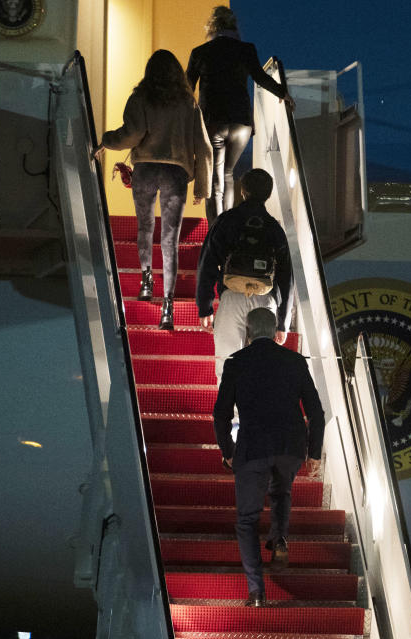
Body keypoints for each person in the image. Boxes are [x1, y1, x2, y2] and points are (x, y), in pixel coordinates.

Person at [213, 307, 325, 607]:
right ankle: (279, 539)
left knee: (247, 520)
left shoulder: (236, 363)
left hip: (254, 447)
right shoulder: (294, 360)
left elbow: (221, 413)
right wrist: (314, 452)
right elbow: (315, 410)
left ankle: (257, 591)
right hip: (291, 445)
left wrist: (228, 451)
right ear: (276, 332)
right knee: (281, 491)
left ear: (247, 333)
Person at [96, 49, 213, 330]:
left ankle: (146, 281)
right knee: (170, 239)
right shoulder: (188, 103)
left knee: (145, 228)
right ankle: (168, 308)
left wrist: (105, 140)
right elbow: (204, 147)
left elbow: (130, 135)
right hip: (175, 173)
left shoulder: (141, 98)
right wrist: (202, 186)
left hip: (146, 169)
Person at [186, 6, 295, 225]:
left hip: (213, 121)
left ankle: (217, 230)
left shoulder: (200, 52)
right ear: (234, 27)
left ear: (212, 28)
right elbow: (260, 77)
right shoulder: (246, 49)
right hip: (241, 123)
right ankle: (226, 225)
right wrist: (283, 93)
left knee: (214, 179)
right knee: (227, 173)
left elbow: (186, 88)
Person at [196, 168, 293, 381]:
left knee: (228, 365)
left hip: (231, 296)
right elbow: (286, 277)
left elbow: (207, 263)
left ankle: (230, 414)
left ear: (243, 191)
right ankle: (255, 413)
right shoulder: (274, 228)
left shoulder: (226, 221)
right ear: (268, 195)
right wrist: (283, 320)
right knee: (261, 366)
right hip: (265, 300)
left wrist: (205, 306)